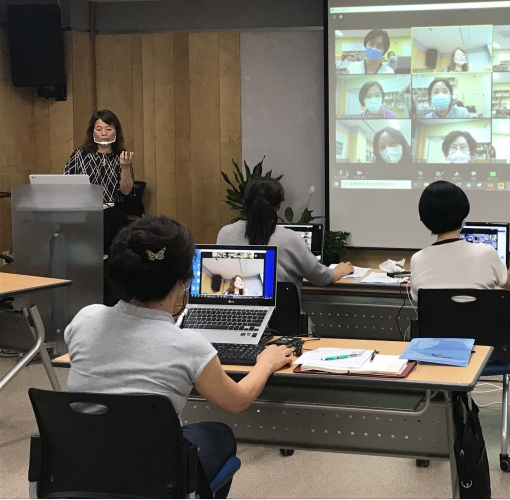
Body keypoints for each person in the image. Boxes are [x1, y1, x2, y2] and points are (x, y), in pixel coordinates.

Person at [65, 216, 295, 498]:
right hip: (152, 476)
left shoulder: (84, 319)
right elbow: (237, 401)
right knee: (219, 434)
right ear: (183, 282)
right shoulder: (188, 345)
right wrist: (266, 363)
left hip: (82, 469)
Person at [217, 178, 353, 297]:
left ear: (245, 204)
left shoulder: (225, 234)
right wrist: (338, 271)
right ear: (279, 207)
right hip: (282, 324)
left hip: (237, 321)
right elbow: (321, 278)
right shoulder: (291, 239)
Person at [409, 181, 510, 300]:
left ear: (424, 217)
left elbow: (416, 297)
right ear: (462, 211)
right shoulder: (485, 253)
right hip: (480, 321)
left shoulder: (417, 260)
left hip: (434, 322)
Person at [64, 110, 135, 254]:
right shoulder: (79, 155)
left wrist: (125, 168)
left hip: (113, 213)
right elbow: (65, 184)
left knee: (114, 255)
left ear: (116, 132)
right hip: (85, 214)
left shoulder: (121, 155)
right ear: (92, 132)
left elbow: (126, 191)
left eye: (109, 129)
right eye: (99, 129)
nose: (104, 133)